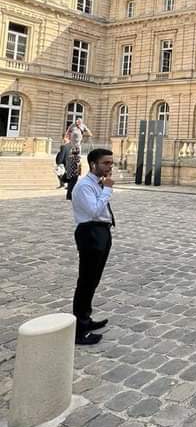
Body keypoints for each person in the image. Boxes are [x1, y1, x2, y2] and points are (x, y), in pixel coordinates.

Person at [71, 147, 115, 346]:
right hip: (90, 233)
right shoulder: (84, 187)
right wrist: (107, 189)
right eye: (106, 163)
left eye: (111, 162)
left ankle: (86, 320)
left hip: (101, 232)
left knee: (93, 279)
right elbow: (95, 211)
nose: (110, 166)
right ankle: (78, 331)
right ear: (93, 164)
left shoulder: (96, 183)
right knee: (86, 281)